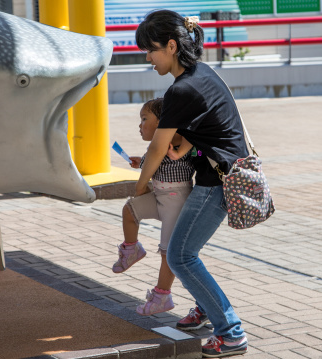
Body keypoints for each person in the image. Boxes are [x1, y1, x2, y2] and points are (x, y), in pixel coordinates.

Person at [133, 10, 249, 358]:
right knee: (185, 253)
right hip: (221, 175)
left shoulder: (182, 89)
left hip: (218, 182)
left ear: (171, 45)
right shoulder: (201, 74)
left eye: (151, 50)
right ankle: (204, 311)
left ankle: (231, 333)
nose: (148, 58)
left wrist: (140, 186)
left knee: (181, 256)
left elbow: (157, 146)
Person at [112, 97, 194, 317]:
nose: (140, 125)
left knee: (168, 252)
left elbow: (199, 153)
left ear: (163, 122)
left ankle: (162, 296)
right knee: (130, 210)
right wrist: (142, 161)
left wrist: (185, 150)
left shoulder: (179, 141)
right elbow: (154, 160)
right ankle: (132, 249)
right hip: (158, 196)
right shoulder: (154, 146)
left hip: (176, 201)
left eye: (144, 118)